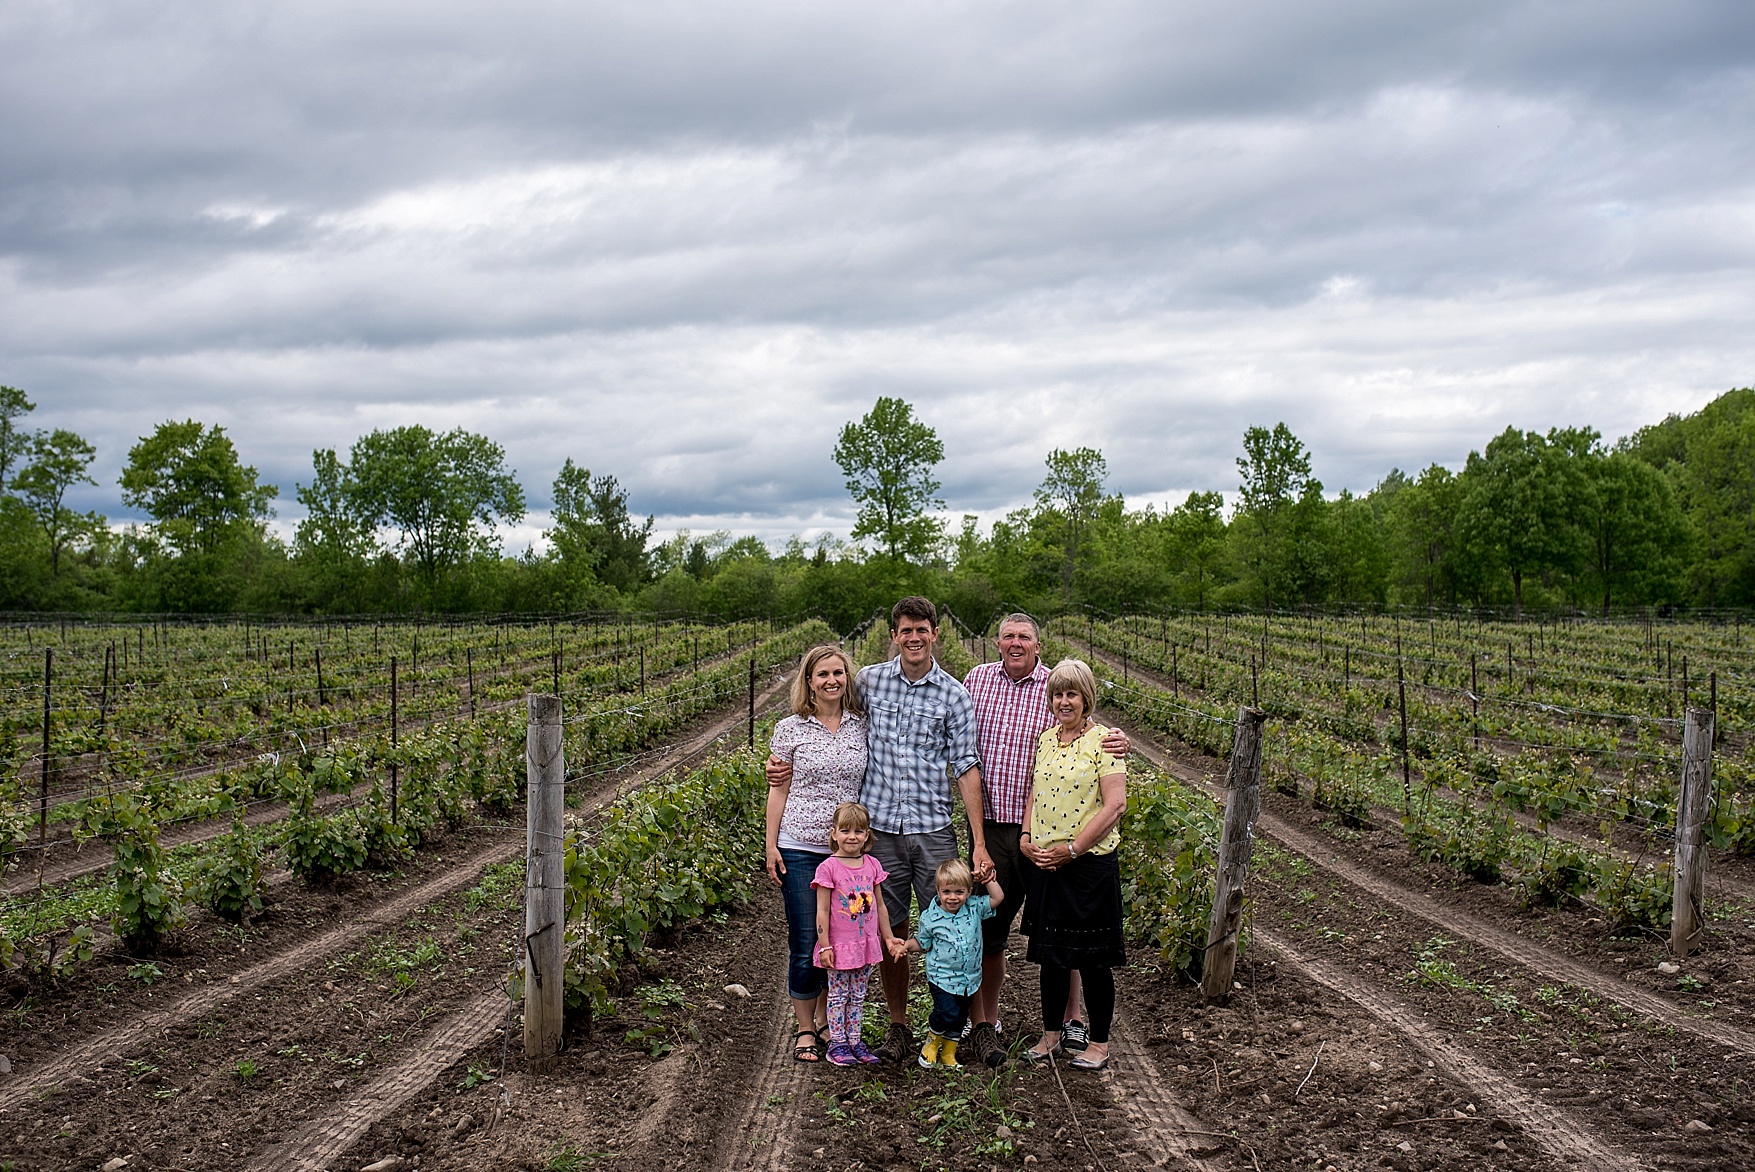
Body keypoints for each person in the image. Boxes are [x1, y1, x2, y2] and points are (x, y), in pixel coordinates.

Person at [768, 595, 986, 1065]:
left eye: (922, 630)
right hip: (881, 830)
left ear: (935, 634)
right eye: (906, 630)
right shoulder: (868, 681)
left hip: (933, 828)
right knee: (887, 926)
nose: (914, 637)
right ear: (894, 635)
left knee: (955, 922)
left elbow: (966, 766)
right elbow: (825, 719)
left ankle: (964, 1024)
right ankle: (898, 1025)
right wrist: (779, 767)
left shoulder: (954, 694)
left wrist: (979, 843)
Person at [960, 613, 1128, 1068]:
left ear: (1038, 645)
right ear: (997, 642)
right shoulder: (979, 683)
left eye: (1024, 637)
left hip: (1067, 849)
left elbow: (1112, 792)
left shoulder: (1063, 693)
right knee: (1007, 933)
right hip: (1004, 830)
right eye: (1008, 636)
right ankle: (993, 1022)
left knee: (1076, 942)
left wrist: (1121, 740)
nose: (1016, 643)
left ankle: (1077, 1025)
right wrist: (1018, 835)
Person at [1019, 658, 1127, 1071]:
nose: (1064, 702)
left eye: (1072, 695)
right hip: (1047, 864)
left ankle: (1098, 1043)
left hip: (1087, 866)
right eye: (1058, 694)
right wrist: (1026, 836)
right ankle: (1051, 1036)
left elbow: (1115, 806)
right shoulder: (1046, 740)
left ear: (1086, 699)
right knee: (1053, 956)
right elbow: (1035, 791)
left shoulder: (1105, 742)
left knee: (1093, 959)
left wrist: (1075, 849)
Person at [766, 645, 867, 1063]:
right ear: (808, 681)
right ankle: (806, 1027)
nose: (831, 681)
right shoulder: (790, 729)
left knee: (839, 938)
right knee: (807, 937)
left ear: (847, 678)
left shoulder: (861, 725)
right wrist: (771, 845)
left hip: (845, 854)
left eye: (838, 673)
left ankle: (827, 1019)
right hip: (800, 847)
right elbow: (778, 789)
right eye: (822, 674)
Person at [896, 858, 1003, 1068]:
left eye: (959, 892)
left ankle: (948, 1053)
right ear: (938, 890)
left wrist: (989, 879)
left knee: (960, 1017)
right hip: (942, 978)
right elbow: (922, 942)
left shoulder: (974, 908)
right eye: (946, 892)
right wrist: (906, 946)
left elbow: (997, 898)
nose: (952, 898)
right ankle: (931, 1045)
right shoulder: (931, 918)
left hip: (969, 979)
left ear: (969, 892)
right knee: (946, 1012)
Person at [814, 801, 899, 1066]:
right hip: (839, 945)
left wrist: (887, 938)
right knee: (838, 994)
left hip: (865, 944)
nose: (852, 837)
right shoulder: (828, 868)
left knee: (859, 995)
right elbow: (822, 911)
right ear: (834, 833)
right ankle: (837, 1043)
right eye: (845, 830)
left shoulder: (872, 865)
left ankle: (854, 1040)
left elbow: (880, 906)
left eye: (858, 831)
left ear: (867, 835)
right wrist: (825, 945)